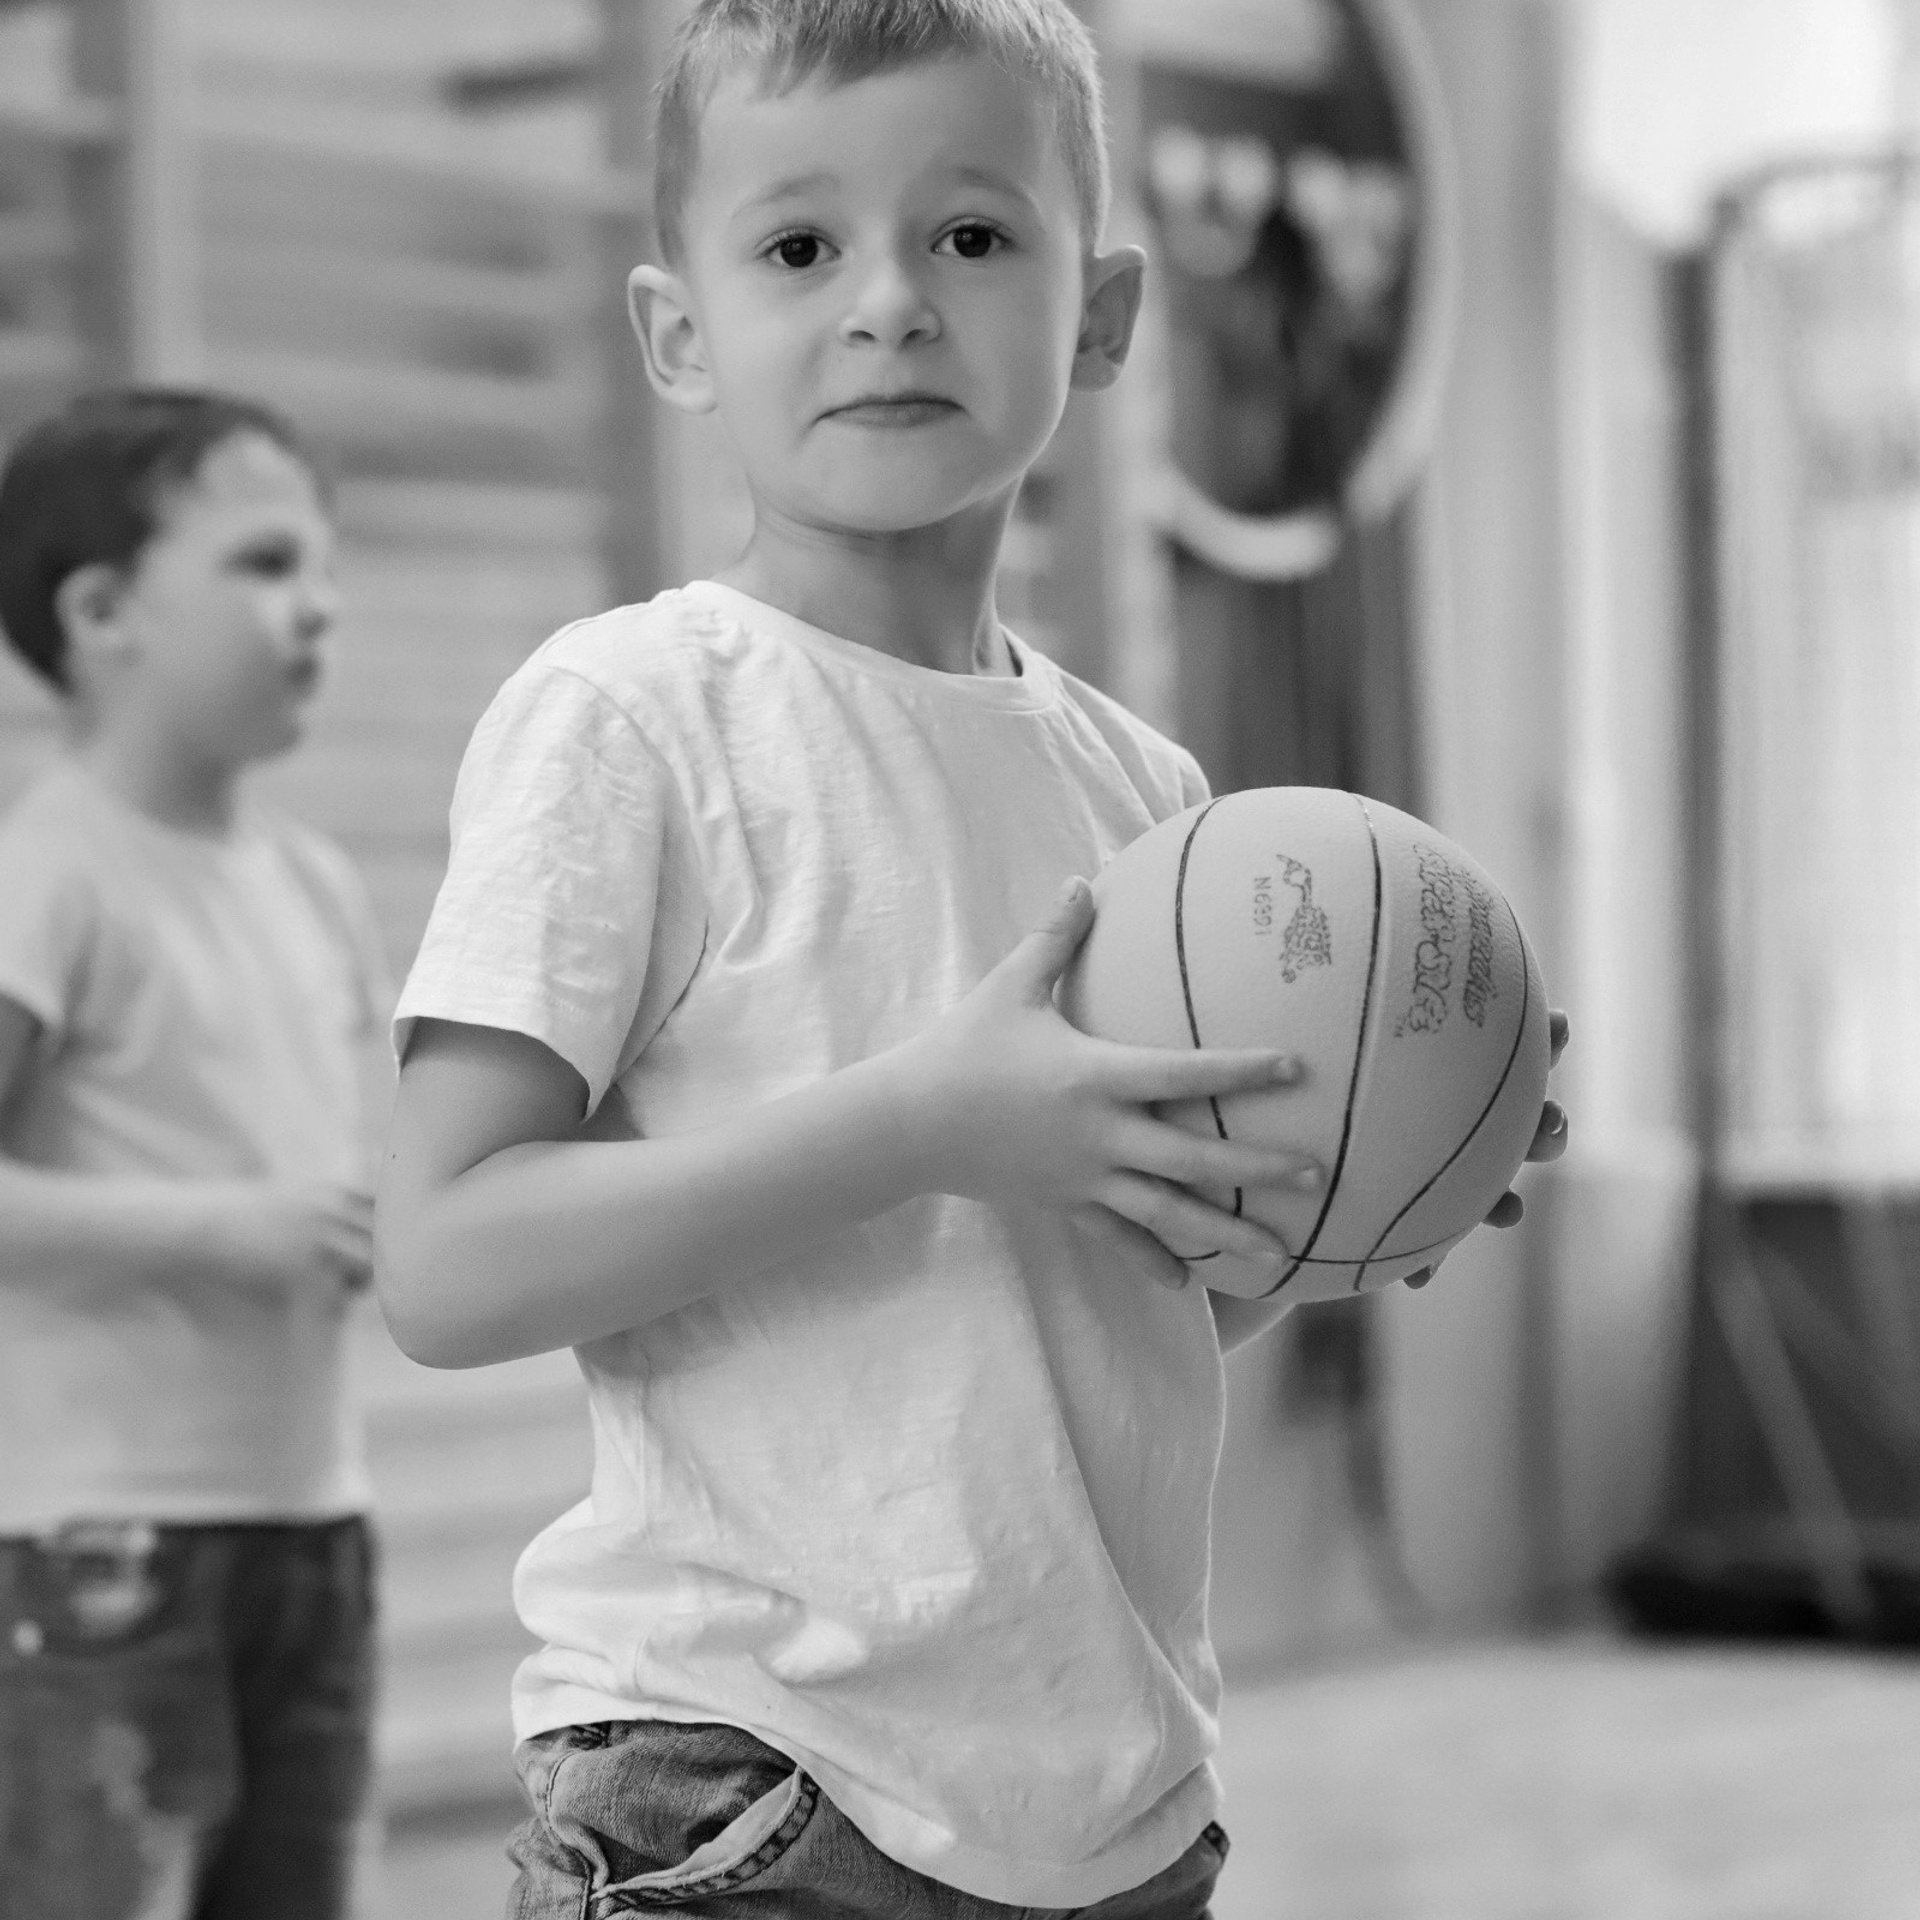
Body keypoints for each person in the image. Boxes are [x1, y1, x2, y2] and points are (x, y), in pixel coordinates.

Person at [376, 4, 1569, 1915]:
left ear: (1098, 321)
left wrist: (1344, 1207)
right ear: (680, 335)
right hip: (749, 1789)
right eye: (797, 248)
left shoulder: (1149, 794)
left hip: (1110, 1804)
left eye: (970, 237)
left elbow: (1088, 1311)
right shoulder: (633, 714)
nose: (890, 305)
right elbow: (440, 1262)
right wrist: (923, 1121)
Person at [0, 388, 387, 1920]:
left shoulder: (314, 880)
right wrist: (228, 1232)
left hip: (311, 1524)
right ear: (101, 613)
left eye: (328, 568)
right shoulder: (48, 878)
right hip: (111, 1550)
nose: (322, 606)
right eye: (267, 562)